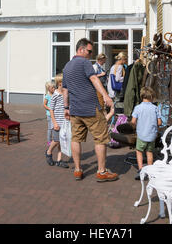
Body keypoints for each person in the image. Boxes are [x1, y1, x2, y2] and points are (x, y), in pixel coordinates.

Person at [63, 38, 118, 182]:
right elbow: (94, 79)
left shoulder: (67, 66)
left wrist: (66, 107)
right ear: (81, 49)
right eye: (89, 51)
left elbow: (65, 89)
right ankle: (101, 171)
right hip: (90, 108)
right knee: (101, 137)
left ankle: (77, 170)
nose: (90, 54)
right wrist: (106, 96)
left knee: (76, 139)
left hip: (75, 110)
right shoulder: (84, 62)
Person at [131, 87, 162, 180]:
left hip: (141, 135)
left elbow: (133, 121)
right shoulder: (155, 108)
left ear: (141, 96)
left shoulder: (138, 108)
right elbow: (159, 122)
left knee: (139, 151)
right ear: (152, 97)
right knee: (149, 152)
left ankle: (141, 169)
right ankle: (150, 170)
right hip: (152, 135)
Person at [45, 73, 69, 168]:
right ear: (59, 83)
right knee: (56, 140)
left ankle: (59, 160)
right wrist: (54, 122)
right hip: (56, 122)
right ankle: (48, 152)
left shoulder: (66, 94)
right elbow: (51, 109)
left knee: (62, 141)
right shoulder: (55, 95)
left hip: (64, 122)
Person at [43, 81, 55, 147]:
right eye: (52, 87)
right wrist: (49, 109)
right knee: (50, 128)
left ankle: (54, 140)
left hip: (55, 114)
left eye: (54, 87)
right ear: (48, 89)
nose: (54, 88)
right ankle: (49, 141)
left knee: (54, 127)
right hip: (49, 114)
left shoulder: (55, 95)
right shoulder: (47, 96)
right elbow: (44, 105)